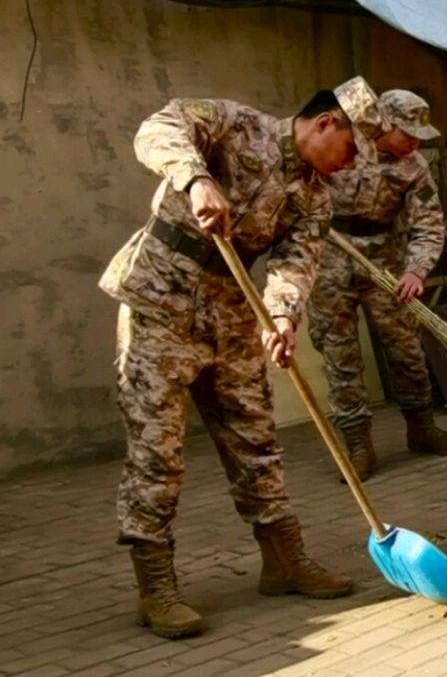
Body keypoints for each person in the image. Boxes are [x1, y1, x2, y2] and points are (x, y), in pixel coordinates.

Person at [100, 88, 373, 639]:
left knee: (256, 441)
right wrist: (195, 178)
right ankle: (155, 587)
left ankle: (283, 560)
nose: (350, 165)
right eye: (351, 150)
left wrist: (283, 318)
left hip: (231, 312)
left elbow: (295, 264)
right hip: (160, 303)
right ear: (325, 123)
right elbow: (156, 128)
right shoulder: (233, 124)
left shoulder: (315, 198)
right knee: (157, 451)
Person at [308, 88, 447, 482]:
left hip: (385, 261)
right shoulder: (343, 145)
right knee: (340, 354)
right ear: (385, 124)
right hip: (329, 257)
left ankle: (422, 429)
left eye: (420, 136)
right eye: (407, 134)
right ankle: (358, 447)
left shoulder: (414, 168)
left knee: (406, 348)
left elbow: (428, 225)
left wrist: (415, 271)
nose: (414, 143)